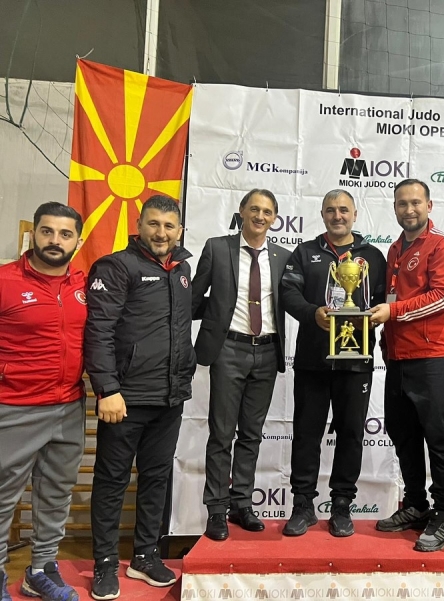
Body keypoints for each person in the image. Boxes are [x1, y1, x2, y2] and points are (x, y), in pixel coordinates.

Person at [85, 195, 196, 600]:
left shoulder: (182, 269)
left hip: (170, 397)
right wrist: (107, 389)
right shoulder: (116, 266)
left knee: (156, 478)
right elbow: (98, 331)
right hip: (124, 399)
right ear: (139, 225)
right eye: (153, 224)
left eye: (168, 226)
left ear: (179, 230)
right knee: (111, 481)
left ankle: (145, 556)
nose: (161, 232)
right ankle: (104, 563)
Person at [280, 189, 386, 537]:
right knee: (306, 434)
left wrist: (374, 317)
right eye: (330, 210)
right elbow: (288, 294)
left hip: (357, 361)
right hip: (313, 361)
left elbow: (385, 300)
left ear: (354, 214)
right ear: (322, 214)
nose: (337, 216)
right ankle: (302, 505)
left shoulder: (373, 256)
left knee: (351, 433)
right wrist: (313, 313)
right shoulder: (305, 252)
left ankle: (342, 505)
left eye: (343, 210)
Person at [368, 179, 444, 552]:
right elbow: (392, 297)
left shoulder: (442, 244)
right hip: (398, 359)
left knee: (440, 439)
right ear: (394, 207)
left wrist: (392, 312)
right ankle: (415, 504)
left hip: (434, 357)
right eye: (401, 204)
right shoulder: (394, 249)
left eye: (415, 203)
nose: (408, 209)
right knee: (403, 434)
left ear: (429, 205)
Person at [192, 189, 291, 541]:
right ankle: (216, 510)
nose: (260, 216)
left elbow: (293, 301)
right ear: (242, 211)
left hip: (267, 352)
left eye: (267, 211)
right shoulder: (217, 248)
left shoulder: (284, 257)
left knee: (251, 434)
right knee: (221, 435)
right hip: (228, 350)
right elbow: (194, 297)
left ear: (275, 218)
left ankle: (242, 504)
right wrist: (216, 314)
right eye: (254, 209)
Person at [0, 203, 86, 601]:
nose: (55, 240)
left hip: (69, 407)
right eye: (47, 231)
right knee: (2, 499)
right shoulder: (5, 281)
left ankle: (40, 570)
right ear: (33, 234)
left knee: (55, 496)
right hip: (14, 409)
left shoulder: (84, 285)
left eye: (65, 234)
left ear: (77, 241)